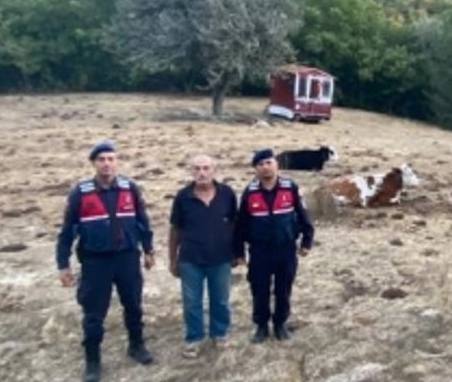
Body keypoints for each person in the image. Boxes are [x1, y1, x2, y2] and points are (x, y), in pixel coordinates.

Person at [56, 139, 156, 382]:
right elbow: (68, 230)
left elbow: (142, 220)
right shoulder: (81, 192)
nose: (107, 164)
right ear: (93, 163)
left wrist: (149, 249)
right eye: (101, 159)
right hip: (95, 262)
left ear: (116, 161)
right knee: (93, 312)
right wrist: (63, 264)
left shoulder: (129, 187)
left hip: (127, 258)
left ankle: (136, 345)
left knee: (133, 305)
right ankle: (92, 361)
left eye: (111, 159)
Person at [233, 147, 314, 343]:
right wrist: (239, 251)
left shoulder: (290, 187)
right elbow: (241, 224)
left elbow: (303, 215)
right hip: (259, 250)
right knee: (259, 289)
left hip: (285, 248)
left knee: (283, 288)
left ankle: (280, 324)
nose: (265, 167)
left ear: (276, 164)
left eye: (269, 162)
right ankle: (261, 325)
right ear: (255, 169)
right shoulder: (250, 192)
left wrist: (307, 241)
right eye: (260, 164)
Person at [168, 154, 236, 357]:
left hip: (221, 257)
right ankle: (194, 338)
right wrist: (173, 259)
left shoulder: (227, 194)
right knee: (192, 302)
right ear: (190, 171)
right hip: (191, 259)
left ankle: (219, 333)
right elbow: (175, 229)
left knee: (221, 300)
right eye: (196, 168)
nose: (201, 173)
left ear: (214, 170)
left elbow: (235, 224)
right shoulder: (182, 197)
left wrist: (237, 252)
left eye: (206, 168)